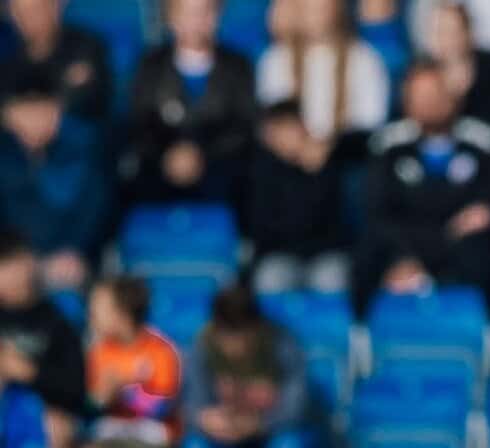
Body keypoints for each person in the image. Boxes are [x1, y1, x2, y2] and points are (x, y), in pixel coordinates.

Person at [354, 61, 490, 310]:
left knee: (480, 252)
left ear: (452, 96)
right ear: (407, 100)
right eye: (420, 95)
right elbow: (379, 213)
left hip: (465, 251)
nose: (429, 102)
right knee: (369, 252)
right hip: (405, 248)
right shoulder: (387, 147)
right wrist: (410, 258)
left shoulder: (483, 143)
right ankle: (359, 335)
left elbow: (486, 208)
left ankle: (487, 333)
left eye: (435, 93)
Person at [124, 0, 259, 205]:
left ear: (218, 15)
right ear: (170, 17)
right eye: (187, 13)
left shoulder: (238, 67)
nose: (197, 21)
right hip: (160, 170)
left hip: (221, 172)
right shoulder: (149, 66)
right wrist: (168, 155)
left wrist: (201, 156)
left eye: (205, 12)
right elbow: (139, 124)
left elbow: (243, 126)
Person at [0, 74, 110, 291]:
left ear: (58, 110)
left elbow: (97, 209)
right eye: (25, 111)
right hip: (12, 261)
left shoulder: (86, 148)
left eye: (42, 110)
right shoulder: (4, 156)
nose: (34, 120)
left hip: (74, 261)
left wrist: (75, 250)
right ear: (8, 115)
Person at [184, 286, 308, 448]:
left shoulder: (282, 345)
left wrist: (259, 424)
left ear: (257, 328)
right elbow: (193, 404)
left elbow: (296, 407)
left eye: (242, 336)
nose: (236, 347)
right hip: (221, 433)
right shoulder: (202, 346)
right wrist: (206, 420)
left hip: (269, 432)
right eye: (228, 337)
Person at [246, 99, 349, 295]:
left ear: (303, 129)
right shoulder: (259, 170)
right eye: (277, 130)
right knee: (270, 280)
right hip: (278, 255)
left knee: (331, 280)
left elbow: (333, 225)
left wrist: (315, 172)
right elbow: (263, 228)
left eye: (289, 128)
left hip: (325, 255)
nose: (284, 137)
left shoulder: (327, 167)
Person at [0, 231, 84, 448]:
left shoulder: (57, 321)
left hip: (42, 413)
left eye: (19, 265)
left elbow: (74, 390)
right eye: (6, 268)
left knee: (57, 427)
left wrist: (29, 372)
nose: (16, 276)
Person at [256, 0, 391, 146]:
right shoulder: (276, 58)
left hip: (348, 157)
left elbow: (369, 122)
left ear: (337, 9)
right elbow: (274, 118)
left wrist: (328, 149)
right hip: (288, 156)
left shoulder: (364, 58)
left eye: (321, 7)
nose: (314, 15)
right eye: (308, 7)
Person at [81, 276, 184, 448]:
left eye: (98, 309)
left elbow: (161, 408)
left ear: (123, 314)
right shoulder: (98, 352)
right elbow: (89, 406)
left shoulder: (160, 350)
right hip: (110, 432)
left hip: (153, 436)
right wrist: (99, 399)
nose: (91, 315)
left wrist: (123, 391)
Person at [0, 0, 111, 121]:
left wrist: (49, 112)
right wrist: (10, 114)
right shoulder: (7, 54)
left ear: (56, 6)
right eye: (19, 11)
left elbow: (95, 102)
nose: (27, 18)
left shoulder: (86, 46)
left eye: (36, 9)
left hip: (76, 130)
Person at [425, 0, 490, 134]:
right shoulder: (422, 79)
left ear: (469, 33)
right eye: (441, 31)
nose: (446, 39)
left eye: (453, 31)